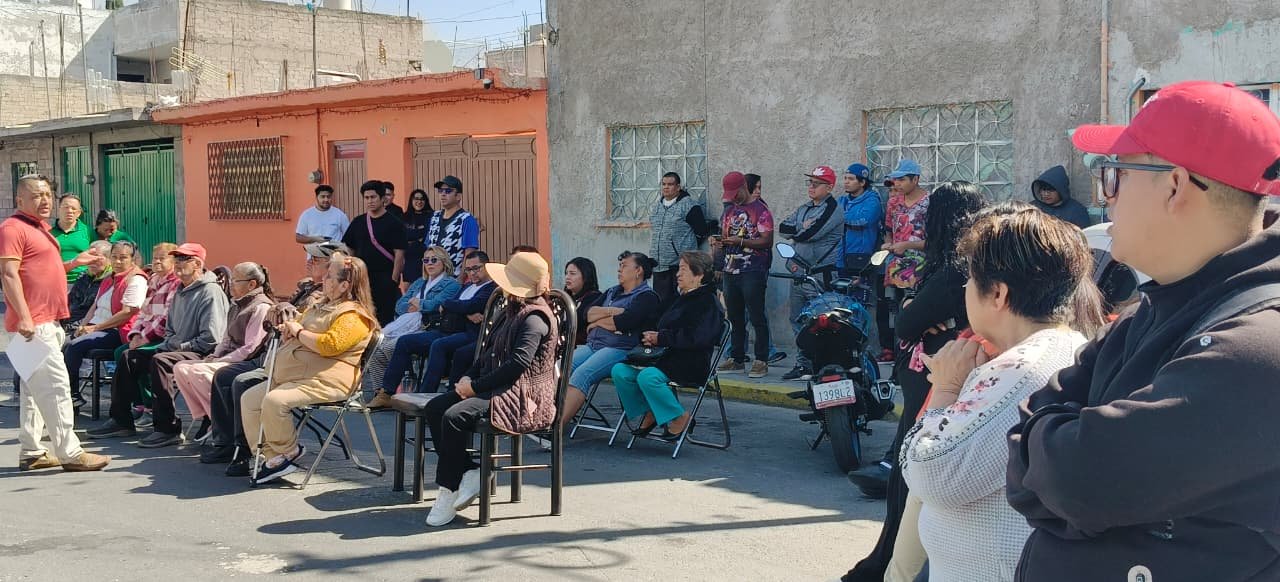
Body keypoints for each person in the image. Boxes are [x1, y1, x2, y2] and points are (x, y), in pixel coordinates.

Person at [1007, 81, 1280, 581]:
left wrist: (1055, 460)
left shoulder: (1258, 348)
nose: (1106, 199)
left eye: (1115, 176)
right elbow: (1027, 455)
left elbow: (1077, 480)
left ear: (1174, 186)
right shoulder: (1156, 308)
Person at [897, 203, 1104, 582]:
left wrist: (946, 389)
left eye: (970, 282)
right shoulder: (1070, 346)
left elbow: (931, 474)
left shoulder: (1016, 371)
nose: (965, 293)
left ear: (998, 294)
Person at [842, 181, 985, 582]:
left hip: (933, 388)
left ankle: (891, 567)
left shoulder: (956, 266)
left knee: (910, 480)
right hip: (937, 381)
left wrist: (911, 306)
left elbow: (907, 321)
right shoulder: (967, 264)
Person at [423, 251, 560, 526]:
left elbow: (517, 364)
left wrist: (474, 387)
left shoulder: (535, 318)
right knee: (436, 407)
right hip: (496, 386)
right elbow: (485, 353)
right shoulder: (509, 312)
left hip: (523, 395)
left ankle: (448, 490)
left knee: (455, 416)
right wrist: (467, 381)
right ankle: (469, 471)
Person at [2, 174, 110, 472]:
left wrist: (75, 264)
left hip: (45, 321)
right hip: (35, 324)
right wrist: (24, 315)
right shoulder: (13, 228)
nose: (45, 200)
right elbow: (9, 274)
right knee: (58, 387)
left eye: (48, 194)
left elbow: (43, 270)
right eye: (37, 195)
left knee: (33, 390)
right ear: (20, 200)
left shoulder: (41, 229)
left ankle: (32, 451)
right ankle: (70, 452)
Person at [201, 241, 338, 471]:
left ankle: (244, 450)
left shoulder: (324, 298)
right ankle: (225, 442)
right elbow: (275, 323)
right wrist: (280, 308)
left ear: (331, 268)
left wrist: (288, 318)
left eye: (315, 260)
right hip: (279, 358)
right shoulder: (306, 289)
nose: (309, 263)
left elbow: (304, 328)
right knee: (224, 377)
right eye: (310, 259)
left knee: (240, 382)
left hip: (298, 365)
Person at [241, 254, 378, 485]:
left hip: (326, 381)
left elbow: (329, 345)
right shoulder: (322, 305)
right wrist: (288, 327)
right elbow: (298, 324)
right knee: (250, 399)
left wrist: (297, 332)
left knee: (275, 401)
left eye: (329, 275)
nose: (323, 278)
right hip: (296, 376)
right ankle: (272, 459)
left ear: (344, 285)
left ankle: (289, 452)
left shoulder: (354, 315)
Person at [87, 242, 229, 447]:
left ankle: (167, 428)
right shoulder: (181, 289)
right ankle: (121, 420)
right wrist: (168, 343)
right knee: (129, 357)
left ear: (197, 263)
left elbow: (211, 339)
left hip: (201, 352)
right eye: (177, 259)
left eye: (183, 259)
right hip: (177, 348)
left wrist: (177, 346)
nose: (178, 264)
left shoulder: (210, 292)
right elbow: (169, 327)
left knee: (160, 361)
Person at [611, 250, 725, 440]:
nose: (678, 274)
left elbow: (698, 338)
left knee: (648, 377)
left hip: (690, 362)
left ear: (699, 274)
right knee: (620, 372)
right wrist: (647, 336)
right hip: (663, 357)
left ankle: (680, 417)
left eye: (683, 270)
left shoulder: (707, 302)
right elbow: (656, 322)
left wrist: (661, 338)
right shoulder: (679, 298)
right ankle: (652, 410)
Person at [171, 262, 274, 445]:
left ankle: (220, 423)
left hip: (246, 361)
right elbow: (226, 338)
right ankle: (209, 416)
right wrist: (215, 356)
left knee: (199, 371)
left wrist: (222, 360)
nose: (231, 284)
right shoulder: (236, 305)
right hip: (227, 357)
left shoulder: (261, 307)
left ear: (251, 284)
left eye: (236, 280)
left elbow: (251, 347)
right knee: (180, 368)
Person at [373, 250, 495, 402]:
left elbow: (466, 304)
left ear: (488, 266)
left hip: (469, 333)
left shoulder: (491, 288)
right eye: (468, 269)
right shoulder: (467, 287)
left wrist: (452, 306)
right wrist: (464, 311)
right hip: (446, 329)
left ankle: (425, 396)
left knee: (439, 345)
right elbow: (449, 306)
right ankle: (387, 392)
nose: (472, 273)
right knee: (405, 341)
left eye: (477, 268)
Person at [558, 251, 661, 427]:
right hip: (594, 345)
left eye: (624, 266)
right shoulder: (612, 291)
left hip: (619, 348)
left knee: (582, 374)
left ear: (638, 271)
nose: (619, 270)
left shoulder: (647, 297)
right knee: (559, 369)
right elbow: (585, 313)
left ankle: (556, 428)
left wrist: (599, 322)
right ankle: (542, 417)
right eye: (619, 266)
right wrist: (612, 312)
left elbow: (625, 322)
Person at [363, 245, 462, 408]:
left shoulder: (451, 284)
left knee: (390, 347)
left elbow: (437, 304)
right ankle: (380, 391)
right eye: (426, 260)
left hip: (430, 327)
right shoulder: (418, 283)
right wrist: (418, 305)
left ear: (444, 262)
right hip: (408, 325)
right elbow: (400, 305)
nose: (429, 263)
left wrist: (420, 304)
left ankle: (396, 385)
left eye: (434, 260)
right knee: (376, 347)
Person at [61, 240, 147, 410]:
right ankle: (68, 394)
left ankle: (73, 395)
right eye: (114, 257)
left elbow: (127, 312)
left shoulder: (136, 279)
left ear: (132, 259)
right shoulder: (109, 278)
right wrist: (82, 327)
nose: (118, 261)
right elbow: (95, 306)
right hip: (97, 327)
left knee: (74, 346)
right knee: (64, 344)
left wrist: (94, 328)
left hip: (117, 331)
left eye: (123, 258)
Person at [778, 165, 845, 380]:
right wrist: (800, 229)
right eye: (810, 182)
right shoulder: (804, 208)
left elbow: (812, 234)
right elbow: (782, 228)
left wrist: (798, 231)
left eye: (817, 183)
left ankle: (823, 364)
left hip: (820, 274)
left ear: (829, 187)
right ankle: (803, 364)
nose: (812, 187)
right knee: (797, 319)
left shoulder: (833, 208)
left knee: (821, 321)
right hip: (798, 272)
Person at [711, 171, 773, 379]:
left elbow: (766, 241)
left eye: (735, 193)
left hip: (753, 270)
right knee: (735, 317)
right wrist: (719, 250)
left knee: (757, 316)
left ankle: (761, 359)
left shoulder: (760, 210)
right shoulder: (729, 212)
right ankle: (737, 358)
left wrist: (741, 242)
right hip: (730, 269)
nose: (733, 197)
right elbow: (726, 236)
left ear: (743, 187)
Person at [879, 159, 930, 363]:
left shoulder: (930, 202)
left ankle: (917, 359)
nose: (897, 184)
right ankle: (897, 364)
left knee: (915, 315)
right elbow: (888, 231)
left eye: (901, 180)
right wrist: (889, 243)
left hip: (921, 267)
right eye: (895, 180)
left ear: (915, 179)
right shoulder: (893, 202)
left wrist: (908, 245)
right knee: (895, 316)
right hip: (895, 266)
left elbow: (934, 240)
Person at [341, 179, 406, 325]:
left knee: (383, 319)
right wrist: (350, 273)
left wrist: (394, 280)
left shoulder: (394, 223)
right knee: (361, 317)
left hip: (385, 279)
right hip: (361, 278)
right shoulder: (358, 222)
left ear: (383, 199)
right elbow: (349, 248)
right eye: (366, 197)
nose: (370, 201)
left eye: (373, 197)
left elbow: (399, 255)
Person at [649, 172, 710, 306]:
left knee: (679, 304)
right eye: (663, 184)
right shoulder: (658, 206)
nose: (666, 187)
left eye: (670, 184)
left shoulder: (689, 205)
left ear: (678, 187)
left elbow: (701, 231)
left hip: (679, 265)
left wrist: (683, 249)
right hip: (659, 266)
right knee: (660, 305)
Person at [425, 176, 480, 278]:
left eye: (448, 191)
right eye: (440, 191)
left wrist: (460, 279)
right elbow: (428, 250)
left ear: (458, 196)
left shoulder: (467, 219)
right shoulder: (434, 217)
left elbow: (469, 253)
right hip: (432, 279)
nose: (443, 194)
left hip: (453, 278)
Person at [63, 240, 114, 333]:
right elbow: (71, 303)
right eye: (89, 257)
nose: (91, 261)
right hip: (69, 324)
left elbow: (96, 312)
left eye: (97, 258)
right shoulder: (83, 276)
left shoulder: (110, 280)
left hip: (90, 326)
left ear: (109, 259)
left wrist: (75, 327)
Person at [1028, 164, 1091, 229]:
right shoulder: (1032, 208)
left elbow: (1084, 236)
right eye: (1043, 189)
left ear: (1060, 190)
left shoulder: (1077, 211)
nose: (1046, 194)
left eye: (1051, 189)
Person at [294, 185, 351, 252]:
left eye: (328, 197)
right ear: (316, 197)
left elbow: (349, 236)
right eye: (322, 197)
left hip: (335, 257)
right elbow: (298, 238)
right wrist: (315, 239)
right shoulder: (307, 215)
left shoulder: (339, 215)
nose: (326, 199)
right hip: (314, 257)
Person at [51, 194, 92, 284]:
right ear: (59, 209)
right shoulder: (48, 232)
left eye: (73, 208)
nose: (69, 211)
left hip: (83, 281)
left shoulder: (88, 231)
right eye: (66, 207)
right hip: (55, 281)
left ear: (79, 213)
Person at [563, 257, 601, 345]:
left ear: (585, 276)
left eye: (572, 274)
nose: (567, 277)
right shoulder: (564, 297)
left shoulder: (596, 298)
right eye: (566, 273)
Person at [401, 188, 434, 284]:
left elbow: (427, 235)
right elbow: (404, 236)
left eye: (422, 199)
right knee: (409, 289)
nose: (419, 202)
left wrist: (414, 234)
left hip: (427, 257)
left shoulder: (432, 216)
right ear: (411, 200)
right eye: (416, 199)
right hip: (409, 258)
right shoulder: (404, 217)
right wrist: (418, 233)